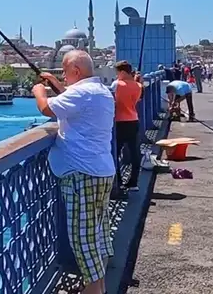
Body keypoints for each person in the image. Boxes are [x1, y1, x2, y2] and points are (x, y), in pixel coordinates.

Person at [32, 50, 115, 294]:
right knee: (98, 231)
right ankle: (99, 285)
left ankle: (93, 289)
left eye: (65, 73)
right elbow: (73, 101)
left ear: (76, 71)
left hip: (81, 173)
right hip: (102, 170)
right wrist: (57, 84)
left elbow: (47, 109)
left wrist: (40, 92)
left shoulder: (81, 93)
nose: (65, 78)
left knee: (82, 238)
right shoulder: (102, 92)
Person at [110, 61, 142, 193]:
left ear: (122, 72)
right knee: (134, 152)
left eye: (117, 73)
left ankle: (117, 181)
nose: (117, 75)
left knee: (115, 152)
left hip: (119, 122)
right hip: (133, 120)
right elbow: (136, 100)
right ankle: (133, 182)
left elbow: (112, 101)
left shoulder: (116, 84)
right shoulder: (139, 85)